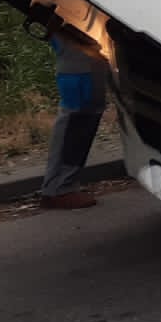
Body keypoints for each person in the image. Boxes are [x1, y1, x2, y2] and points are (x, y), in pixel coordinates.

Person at [40, 30, 110, 210]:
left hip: (78, 32)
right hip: (76, 32)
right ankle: (59, 188)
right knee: (80, 109)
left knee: (83, 107)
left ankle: (60, 185)